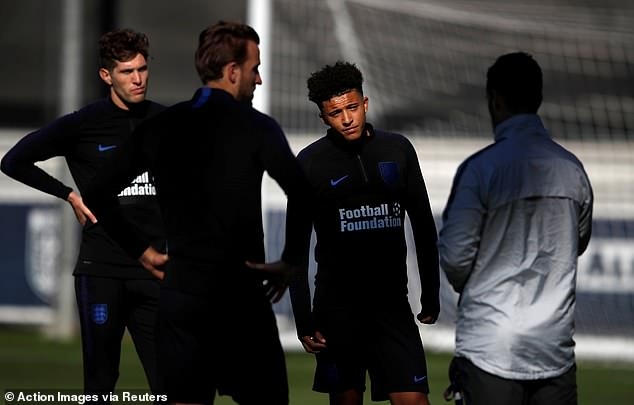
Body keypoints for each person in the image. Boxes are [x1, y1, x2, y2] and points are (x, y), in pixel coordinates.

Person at [81, 21, 311, 405]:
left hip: (182, 298)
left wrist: (143, 252)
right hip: (241, 300)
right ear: (232, 71)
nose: (258, 79)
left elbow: (96, 193)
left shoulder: (161, 126)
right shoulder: (257, 126)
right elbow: (303, 193)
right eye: (254, 68)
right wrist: (290, 262)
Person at [0, 29, 166, 399]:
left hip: (156, 271)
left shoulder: (166, 122)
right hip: (101, 270)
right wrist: (68, 194)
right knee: (100, 384)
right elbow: (13, 161)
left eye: (142, 69)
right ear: (107, 75)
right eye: (127, 72)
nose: (137, 79)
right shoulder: (84, 123)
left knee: (170, 385)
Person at [437, 52, 593, 405]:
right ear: (538, 98)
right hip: (553, 347)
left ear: (495, 100)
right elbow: (577, 243)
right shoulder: (573, 170)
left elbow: (455, 257)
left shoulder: (480, 169)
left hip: (490, 346)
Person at [281, 61, 440, 405]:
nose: (347, 118)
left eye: (352, 107)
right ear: (323, 118)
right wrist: (304, 320)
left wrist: (432, 292)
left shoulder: (398, 149)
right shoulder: (309, 163)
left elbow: (424, 226)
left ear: (365, 103)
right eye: (335, 113)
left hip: (392, 310)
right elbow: (295, 249)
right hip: (336, 315)